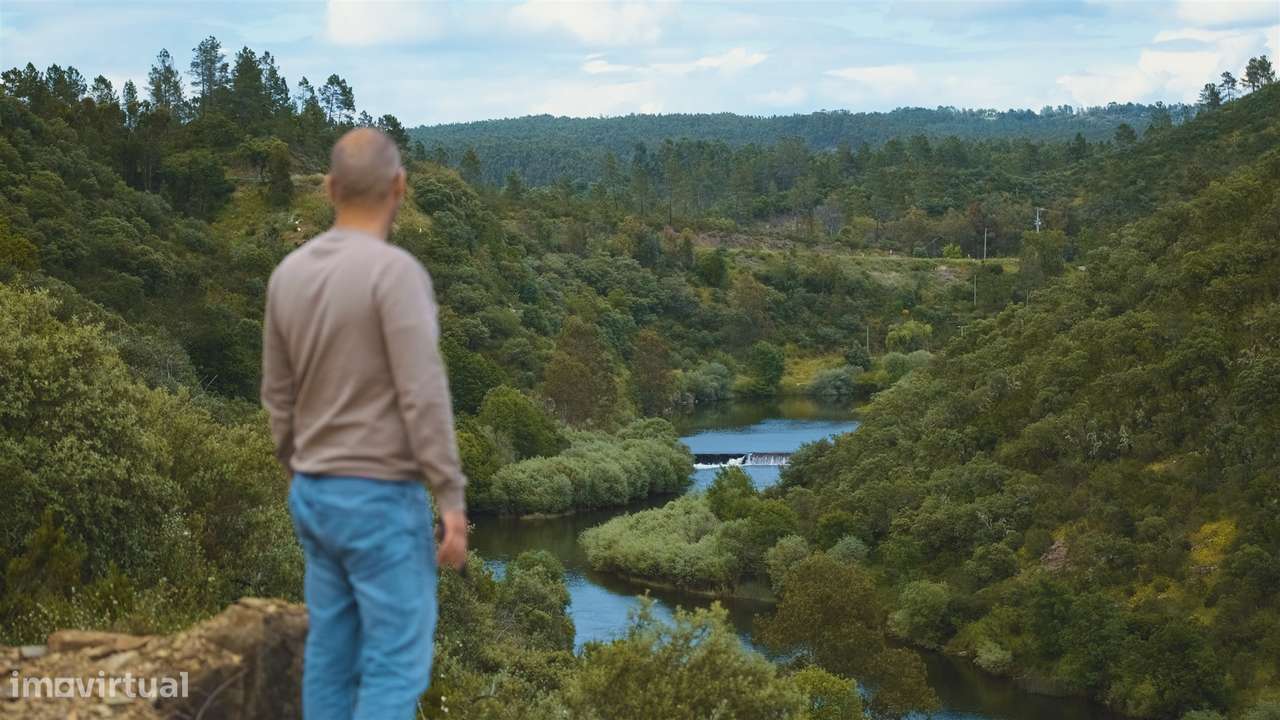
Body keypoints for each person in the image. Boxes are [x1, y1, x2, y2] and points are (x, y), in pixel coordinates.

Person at [261, 127, 468, 720]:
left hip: (315, 494)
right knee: (395, 665)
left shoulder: (288, 275)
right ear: (399, 187)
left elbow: (277, 396)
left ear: (330, 188)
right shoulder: (396, 274)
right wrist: (450, 498)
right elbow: (422, 395)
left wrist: (299, 471)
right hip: (379, 497)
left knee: (331, 654)